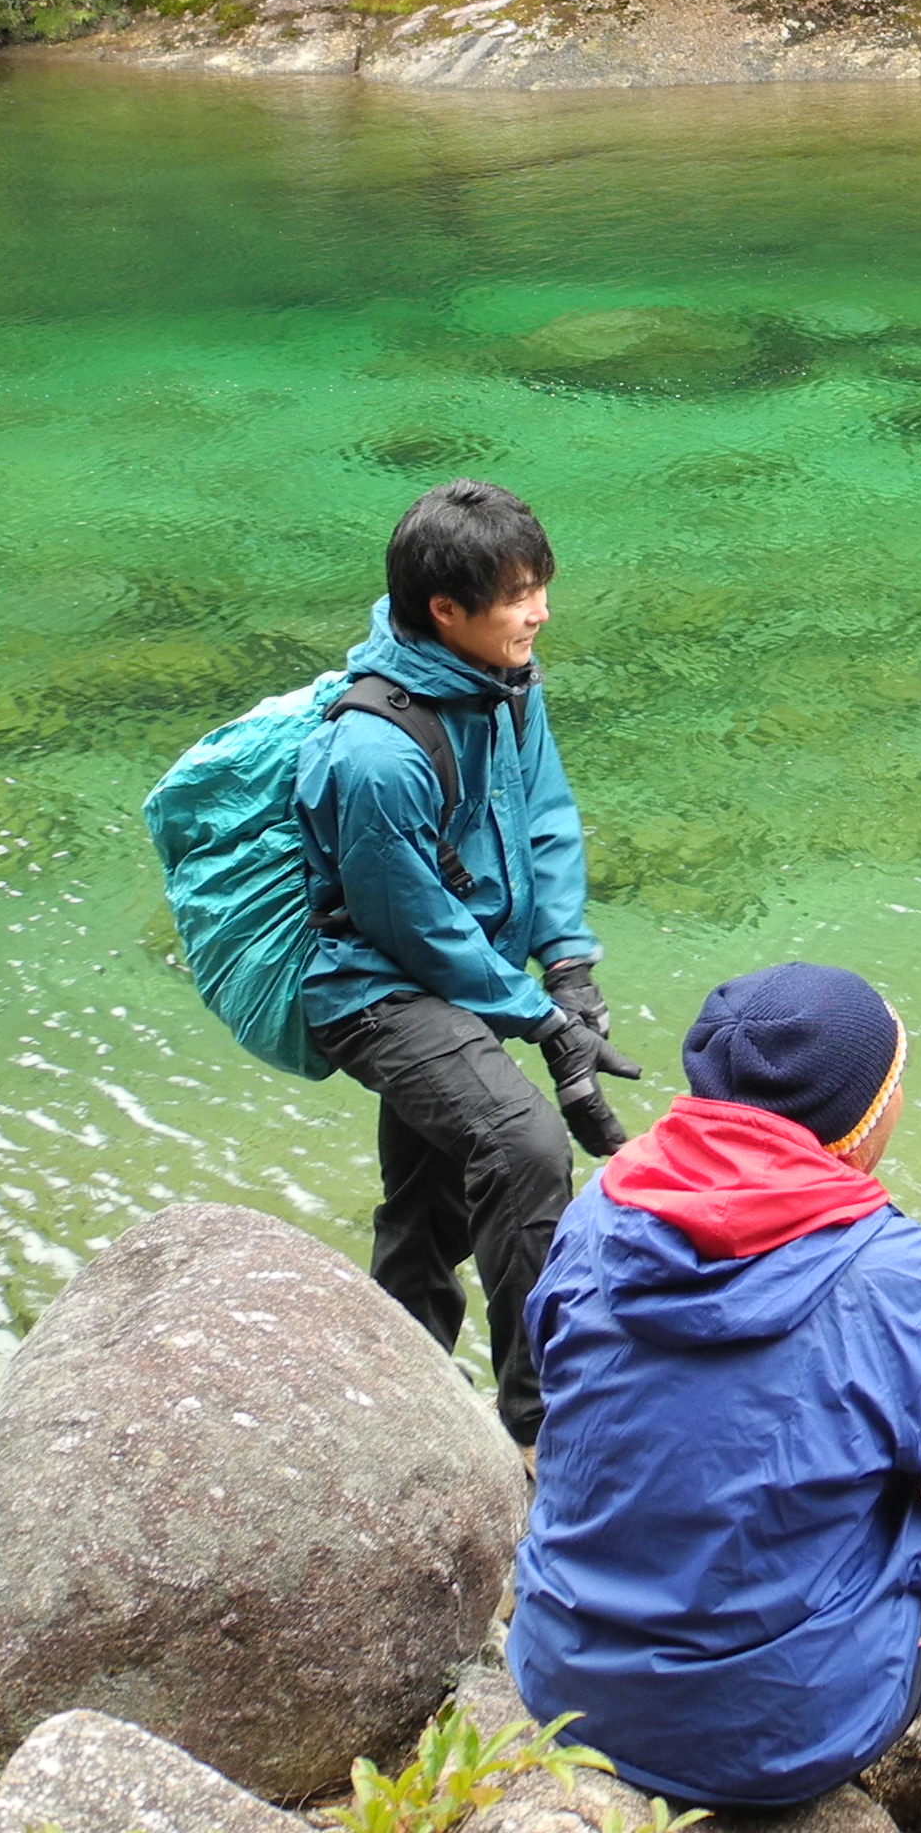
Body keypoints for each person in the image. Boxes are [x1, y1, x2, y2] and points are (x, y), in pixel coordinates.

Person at [512, 963, 921, 1833]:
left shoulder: (603, 1211)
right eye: (897, 1082)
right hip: (767, 1731)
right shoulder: (886, 1273)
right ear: (858, 1124)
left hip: (561, 1681)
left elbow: (556, 1373)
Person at [295, 480, 640, 1451]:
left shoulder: (505, 683)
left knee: (427, 1201)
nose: (540, 611)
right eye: (518, 594)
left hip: (466, 975)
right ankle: (541, 1427)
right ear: (446, 611)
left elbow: (546, 819)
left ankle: (399, 1408)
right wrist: (540, 1019)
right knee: (524, 1147)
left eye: (540, 585)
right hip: (375, 989)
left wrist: (569, 967)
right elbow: (411, 927)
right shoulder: (374, 756)